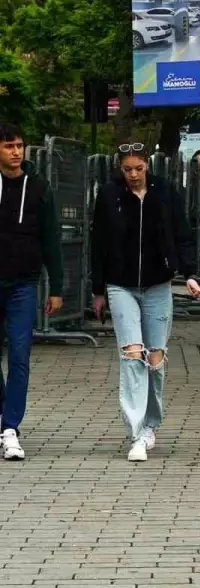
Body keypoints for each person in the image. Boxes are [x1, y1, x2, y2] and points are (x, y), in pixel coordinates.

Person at [90, 142, 200, 462]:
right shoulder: (110, 195)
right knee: (131, 354)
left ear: (147, 166)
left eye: (139, 168)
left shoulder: (165, 192)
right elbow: (98, 242)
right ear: (120, 169)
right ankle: (136, 431)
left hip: (158, 284)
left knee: (155, 358)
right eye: (127, 170)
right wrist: (98, 290)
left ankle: (152, 424)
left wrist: (190, 274)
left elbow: (182, 232)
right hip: (120, 284)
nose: (134, 175)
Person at [0, 122, 64, 461]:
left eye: (20, 145)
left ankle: (11, 427)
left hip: (24, 283)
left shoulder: (38, 187)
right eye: (9, 145)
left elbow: (51, 237)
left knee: (21, 355)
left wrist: (58, 286)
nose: (16, 152)